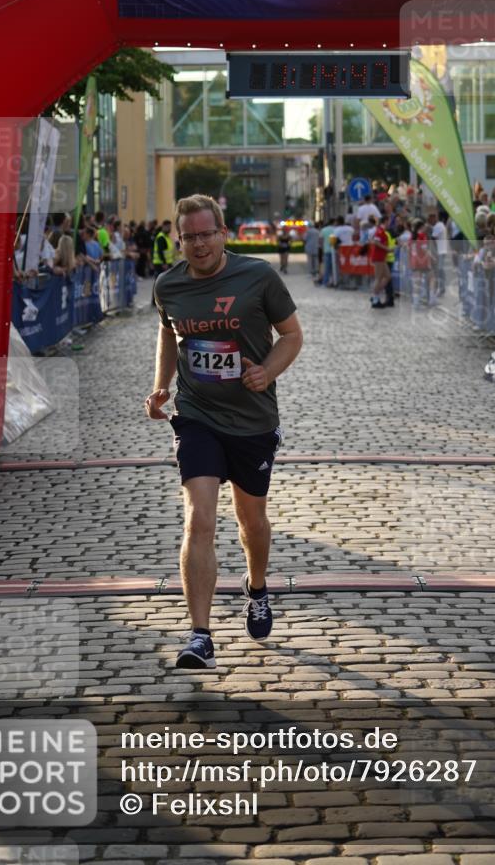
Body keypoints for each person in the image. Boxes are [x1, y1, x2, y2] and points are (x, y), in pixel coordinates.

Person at [146, 195, 303, 670]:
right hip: (197, 415)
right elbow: (169, 333)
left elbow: (292, 335)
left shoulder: (258, 276)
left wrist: (267, 372)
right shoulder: (168, 285)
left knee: (251, 521)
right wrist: (161, 385)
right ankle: (200, 635)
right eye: (189, 236)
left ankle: (257, 587)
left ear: (223, 234)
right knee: (199, 520)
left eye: (206, 234)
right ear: (179, 239)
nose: (199, 244)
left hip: (253, 419)